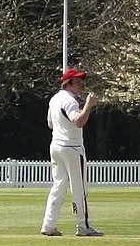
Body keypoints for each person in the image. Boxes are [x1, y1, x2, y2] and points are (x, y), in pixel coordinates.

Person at [42, 68, 102, 237]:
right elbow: (78, 122)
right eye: (78, 81)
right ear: (68, 83)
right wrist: (88, 106)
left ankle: (48, 225)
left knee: (58, 186)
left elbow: (50, 124)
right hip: (72, 147)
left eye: (82, 81)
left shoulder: (55, 99)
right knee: (79, 188)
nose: (82, 84)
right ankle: (83, 226)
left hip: (56, 146)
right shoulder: (70, 101)